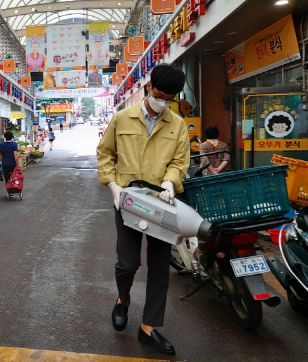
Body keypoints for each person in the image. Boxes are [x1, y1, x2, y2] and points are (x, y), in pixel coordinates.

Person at [96, 63, 188, 356]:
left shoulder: (177, 125)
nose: (164, 102)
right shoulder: (122, 119)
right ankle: (123, 299)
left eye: (170, 99)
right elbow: (105, 154)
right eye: (160, 95)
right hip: (128, 202)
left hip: (162, 204)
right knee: (128, 262)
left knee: (160, 267)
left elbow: (179, 161)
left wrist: (171, 182)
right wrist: (113, 186)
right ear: (149, 88)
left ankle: (149, 327)